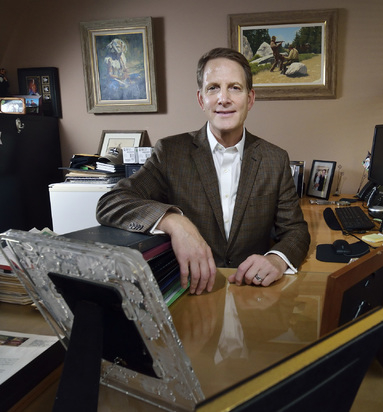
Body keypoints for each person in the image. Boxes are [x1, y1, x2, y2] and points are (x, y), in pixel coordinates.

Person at [96, 47, 310, 295]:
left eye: (235, 88)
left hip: (253, 292)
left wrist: (277, 259)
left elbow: (296, 231)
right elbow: (111, 203)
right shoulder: (170, 153)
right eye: (213, 88)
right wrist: (175, 221)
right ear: (201, 99)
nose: (224, 98)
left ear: (250, 99)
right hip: (190, 292)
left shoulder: (275, 159)